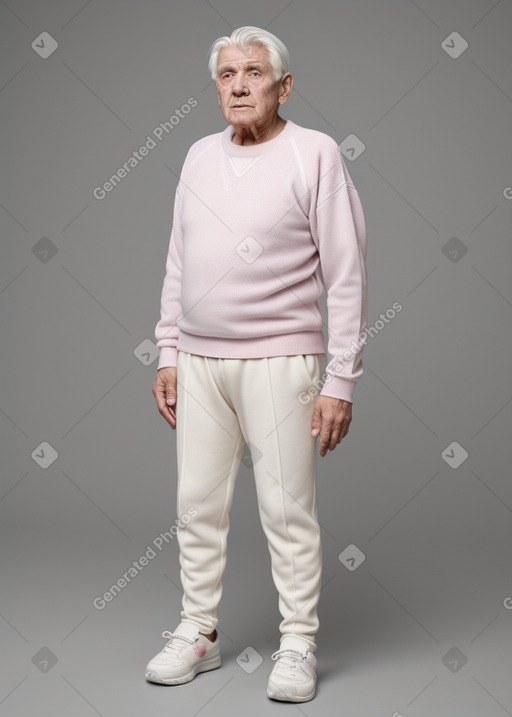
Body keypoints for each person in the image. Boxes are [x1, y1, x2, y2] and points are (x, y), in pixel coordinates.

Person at [145, 25, 368, 703]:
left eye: (254, 73)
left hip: (282, 361)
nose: (239, 85)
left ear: (284, 85)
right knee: (197, 503)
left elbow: (348, 273)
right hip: (203, 361)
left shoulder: (316, 155)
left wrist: (341, 377)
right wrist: (169, 349)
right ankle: (198, 632)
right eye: (226, 75)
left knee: (285, 505)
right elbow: (179, 262)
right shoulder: (197, 156)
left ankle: (297, 641)